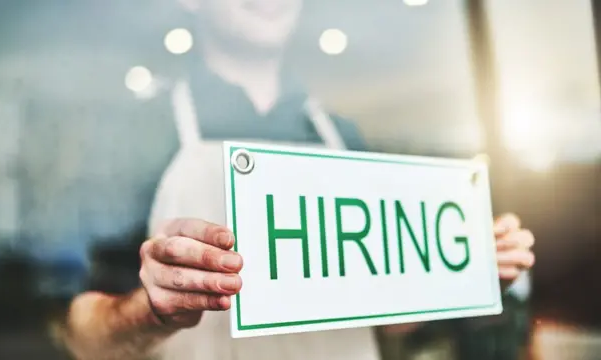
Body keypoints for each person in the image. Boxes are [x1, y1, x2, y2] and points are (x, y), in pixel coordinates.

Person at [55, 0, 536, 359]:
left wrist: (462, 271)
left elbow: (389, 321)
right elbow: (81, 335)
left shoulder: (341, 134)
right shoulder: (140, 134)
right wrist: (152, 308)